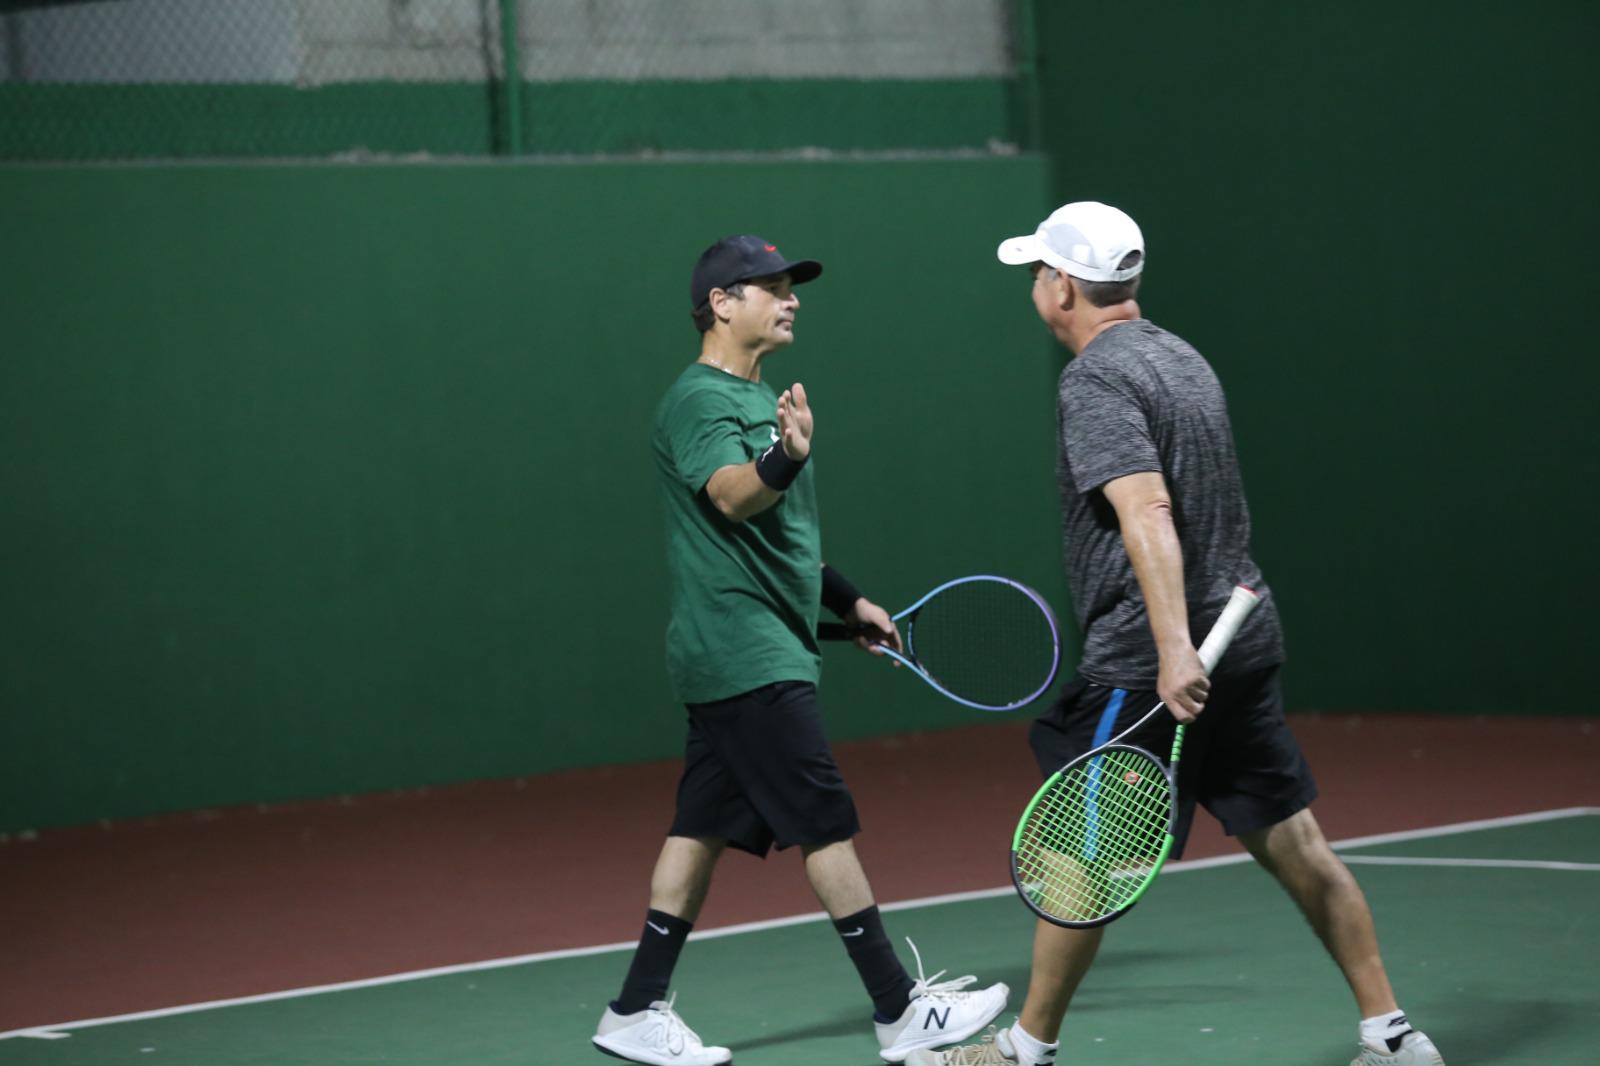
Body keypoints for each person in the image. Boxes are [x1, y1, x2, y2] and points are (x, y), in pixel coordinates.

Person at [907, 203, 1444, 1066]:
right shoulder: (1182, 357)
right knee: (1297, 842)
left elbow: (1146, 505)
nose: (1036, 286)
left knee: (1078, 863)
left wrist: (1169, 650)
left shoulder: (1095, 381)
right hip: (1243, 638)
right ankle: (1393, 1033)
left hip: (1150, 663)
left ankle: (1023, 1050)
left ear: (1067, 287)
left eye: (1040, 271)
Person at [592, 234, 1008, 1066]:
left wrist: (851, 602)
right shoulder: (696, 402)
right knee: (824, 825)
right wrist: (786, 454)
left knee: (700, 826)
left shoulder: (767, 396)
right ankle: (899, 1011)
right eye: (771, 287)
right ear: (721, 303)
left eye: (792, 287)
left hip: (752, 646)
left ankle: (635, 1010)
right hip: (743, 652)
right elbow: (734, 497)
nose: (791, 299)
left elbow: (784, 541)